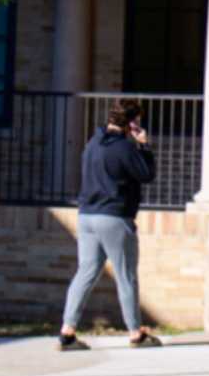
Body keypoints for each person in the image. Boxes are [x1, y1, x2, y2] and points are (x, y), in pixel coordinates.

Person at [58, 98, 161, 349]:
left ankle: (67, 332)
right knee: (126, 276)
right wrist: (143, 145)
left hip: (86, 216)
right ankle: (136, 333)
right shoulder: (125, 148)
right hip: (114, 217)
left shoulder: (93, 144)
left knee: (86, 272)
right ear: (132, 122)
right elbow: (147, 174)